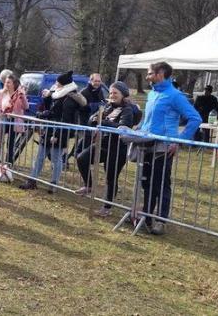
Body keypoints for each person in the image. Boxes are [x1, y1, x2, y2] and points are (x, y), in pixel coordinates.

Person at [139, 62, 201, 235]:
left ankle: (161, 220)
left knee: (161, 184)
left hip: (164, 148)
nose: (147, 76)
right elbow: (147, 118)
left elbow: (195, 118)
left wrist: (179, 140)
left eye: (150, 73)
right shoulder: (152, 94)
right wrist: (139, 129)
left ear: (161, 74)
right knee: (146, 182)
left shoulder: (175, 95)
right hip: (147, 145)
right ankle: (146, 217)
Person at [19, 70, 85, 193]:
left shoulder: (69, 100)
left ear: (64, 84)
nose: (56, 84)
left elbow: (64, 119)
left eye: (58, 82)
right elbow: (51, 109)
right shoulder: (58, 94)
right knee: (40, 157)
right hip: (49, 129)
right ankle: (32, 180)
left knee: (56, 159)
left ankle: (54, 184)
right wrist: (48, 97)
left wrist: (57, 135)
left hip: (59, 132)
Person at [75, 81, 134, 217]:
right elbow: (92, 119)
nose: (112, 95)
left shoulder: (128, 110)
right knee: (82, 158)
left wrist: (103, 122)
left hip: (118, 149)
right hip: (103, 144)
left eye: (115, 93)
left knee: (111, 177)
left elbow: (122, 128)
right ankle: (88, 185)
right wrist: (96, 119)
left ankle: (107, 207)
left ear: (123, 94)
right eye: (111, 92)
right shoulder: (108, 106)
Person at [0, 74, 29, 164]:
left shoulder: (19, 94)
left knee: (11, 144)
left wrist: (23, 96)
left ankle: (8, 163)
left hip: (14, 121)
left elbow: (26, 107)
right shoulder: (0, 93)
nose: (6, 84)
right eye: (5, 82)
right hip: (2, 120)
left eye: (9, 82)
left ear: (14, 84)